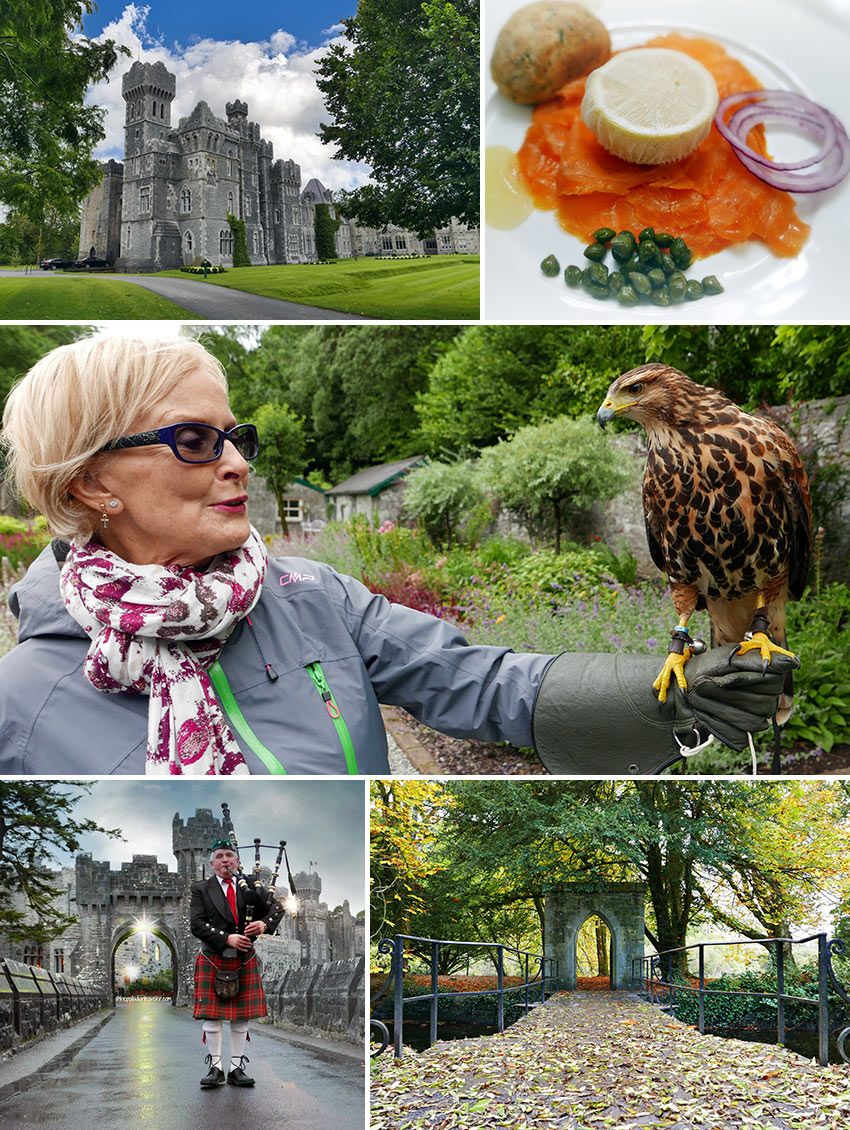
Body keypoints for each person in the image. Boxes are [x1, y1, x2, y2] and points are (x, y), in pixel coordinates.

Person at [0, 333, 793, 775]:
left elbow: (484, 683)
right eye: (195, 441)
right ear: (89, 486)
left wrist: (673, 694)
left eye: (236, 437)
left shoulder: (312, 595)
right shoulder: (21, 708)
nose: (239, 463)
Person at [190, 837, 283, 1088]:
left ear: (237, 861)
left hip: (243, 958)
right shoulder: (201, 889)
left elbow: (278, 908)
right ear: (212, 863)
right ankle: (216, 1067)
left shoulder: (250, 885)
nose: (225, 861)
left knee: (241, 1018)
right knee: (212, 1017)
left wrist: (265, 924)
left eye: (229, 856)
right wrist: (227, 938)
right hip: (213, 955)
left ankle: (236, 1068)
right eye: (219, 856)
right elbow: (196, 924)